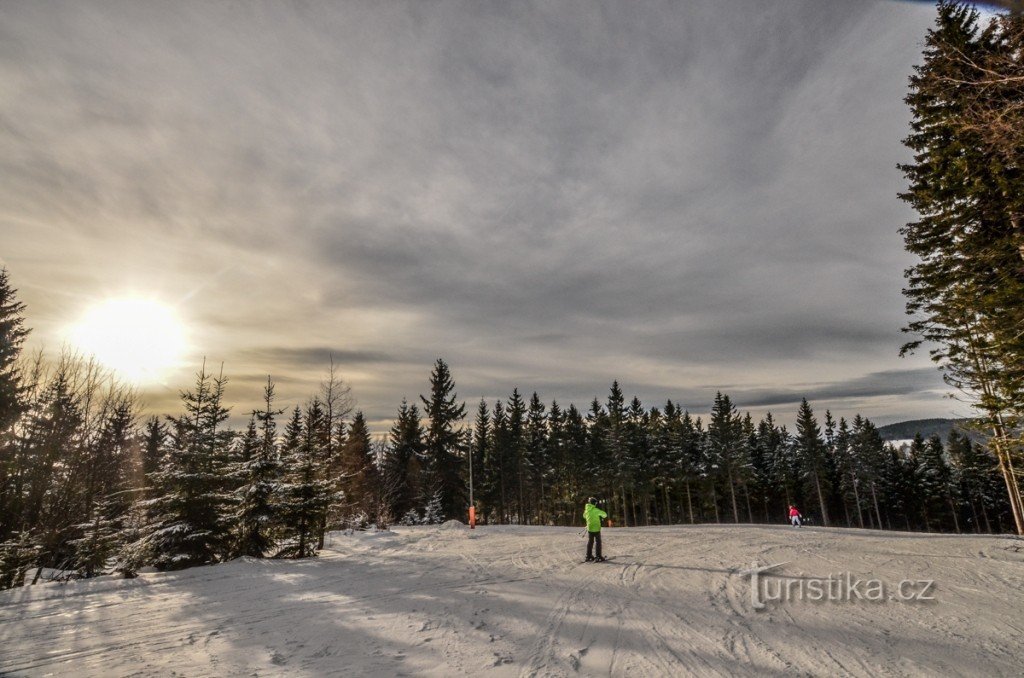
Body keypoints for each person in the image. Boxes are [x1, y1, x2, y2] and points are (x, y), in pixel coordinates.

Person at [584, 497, 607, 561]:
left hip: (590, 528)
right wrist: (600, 515)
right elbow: (605, 515)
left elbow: (584, 516)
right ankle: (598, 556)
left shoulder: (586, 510)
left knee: (590, 541)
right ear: (594, 503)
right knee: (598, 542)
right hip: (596, 528)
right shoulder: (596, 510)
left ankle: (588, 556)